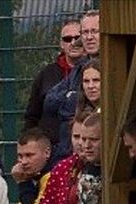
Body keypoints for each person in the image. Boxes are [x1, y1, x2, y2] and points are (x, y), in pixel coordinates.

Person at [44, 10, 100, 159]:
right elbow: (49, 101)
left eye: (94, 31)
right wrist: (71, 99)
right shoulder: (79, 67)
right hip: (68, 151)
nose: (89, 37)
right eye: (85, 32)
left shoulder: (115, 65)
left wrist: (71, 99)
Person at [23, 18, 83, 144]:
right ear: (61, 44)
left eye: (77, 38)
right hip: (52, 146)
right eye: (67, 39)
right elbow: (32, 115)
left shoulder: (94, 71)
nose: (73, 43)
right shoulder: (46, 74)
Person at [4, 128, 53, 204]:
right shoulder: (31, 176)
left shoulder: (53, 177)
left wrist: (23, 183)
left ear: (47, 153)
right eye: (20, 156)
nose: (24, 162)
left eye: (29, 155)